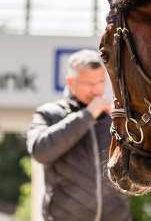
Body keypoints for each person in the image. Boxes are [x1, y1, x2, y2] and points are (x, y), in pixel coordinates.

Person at [26, 49, 131, 221]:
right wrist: (87, 115)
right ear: (70, 82)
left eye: (101, 82)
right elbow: (40, 151)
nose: (97, 90)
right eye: (89, 84)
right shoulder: (49, 114)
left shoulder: (113, 118)